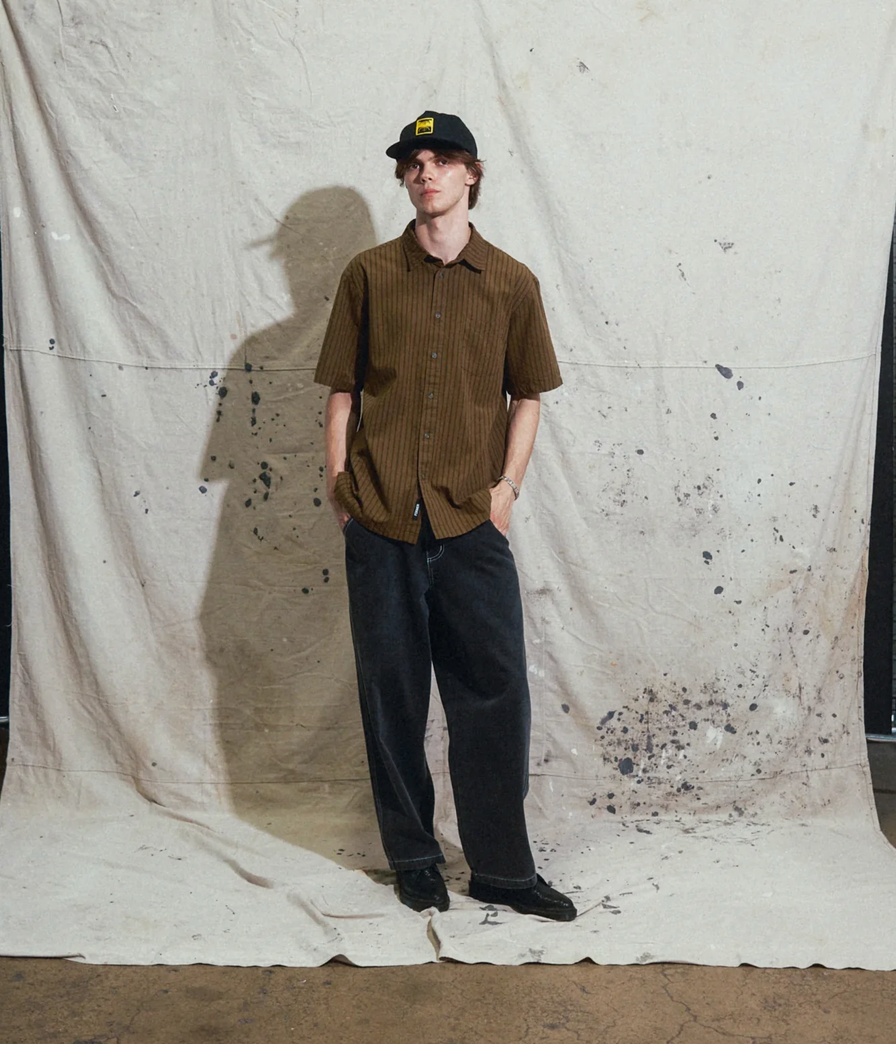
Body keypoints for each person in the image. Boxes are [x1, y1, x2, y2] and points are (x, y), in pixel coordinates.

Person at [314, 111, 576, 921]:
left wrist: (506, 490)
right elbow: (342, 391)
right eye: (413, 162)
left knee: (494, 693)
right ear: (404, 178)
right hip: (381, 517)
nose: (425, 171)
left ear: (472, 174)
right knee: (391, 692)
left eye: (442, 159)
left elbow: (528, 395)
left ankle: (502, 869)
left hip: (469, 520)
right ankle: (415, 859)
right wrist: (341, 487)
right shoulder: (367, 275)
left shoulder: (512, 282)